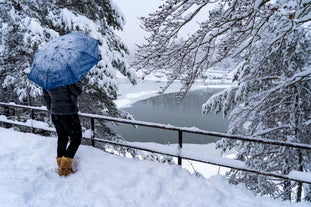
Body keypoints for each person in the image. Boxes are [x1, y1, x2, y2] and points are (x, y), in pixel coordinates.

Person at [43, 81, 82, 176]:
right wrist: (76, 82)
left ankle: (61, 163)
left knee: (62, 137)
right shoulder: (67, 78)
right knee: (76, 138)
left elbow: (46, 97)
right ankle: (65, 168)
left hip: (55, 113)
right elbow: (77, 92)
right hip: (69, 113)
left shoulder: (47, 80)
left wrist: (52, 109)